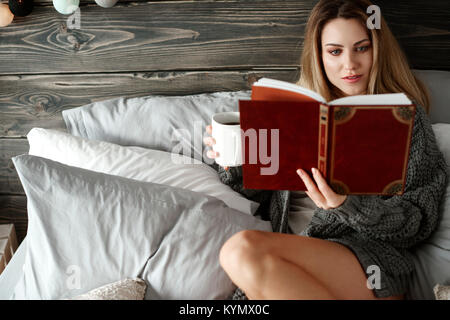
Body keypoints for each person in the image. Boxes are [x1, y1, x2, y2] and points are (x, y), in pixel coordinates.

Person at [203, 0, 448, 300]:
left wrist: (346, 205)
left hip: (370, 266)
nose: (350, 65)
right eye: (335, 51)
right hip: (290, 260)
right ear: (319, 55)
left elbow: (418, 221)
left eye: (362, 48)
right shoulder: (292, 114)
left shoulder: (405, 119)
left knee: (239, 250)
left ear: (378, 49)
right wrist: (234, 161)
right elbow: (258, 194)